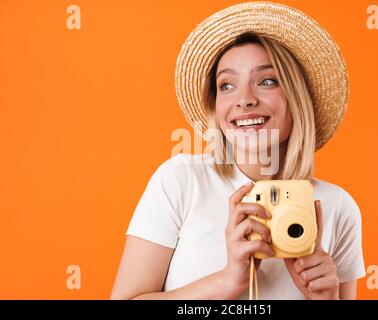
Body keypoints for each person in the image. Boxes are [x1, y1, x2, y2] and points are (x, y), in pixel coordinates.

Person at [111, 1, 365, 300]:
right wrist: (227, 282)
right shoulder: (180, 180)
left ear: (296, 98)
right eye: (227, 85)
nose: (244, 99)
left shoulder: (338, 206)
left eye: (267, 81)